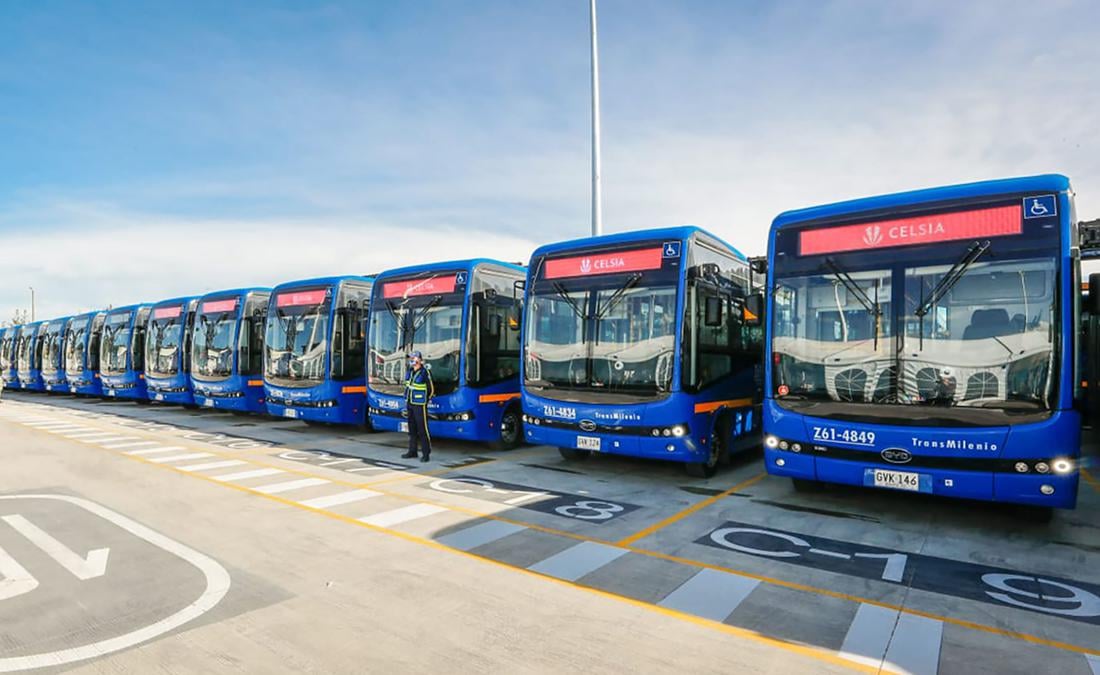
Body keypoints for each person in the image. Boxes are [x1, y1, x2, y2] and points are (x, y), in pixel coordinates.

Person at [401, 351, 434, 462]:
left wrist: (426, 400)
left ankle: (426, 453)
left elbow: (431, 389)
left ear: (419, 359)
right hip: (410, 403)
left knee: (422, 429)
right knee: (412, 429)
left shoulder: (425, 372)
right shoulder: (410, 371)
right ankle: (412, 451)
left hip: (420, 404)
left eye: (413, 358)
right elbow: (407, 386)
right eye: (411, 358)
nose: (411, 360)